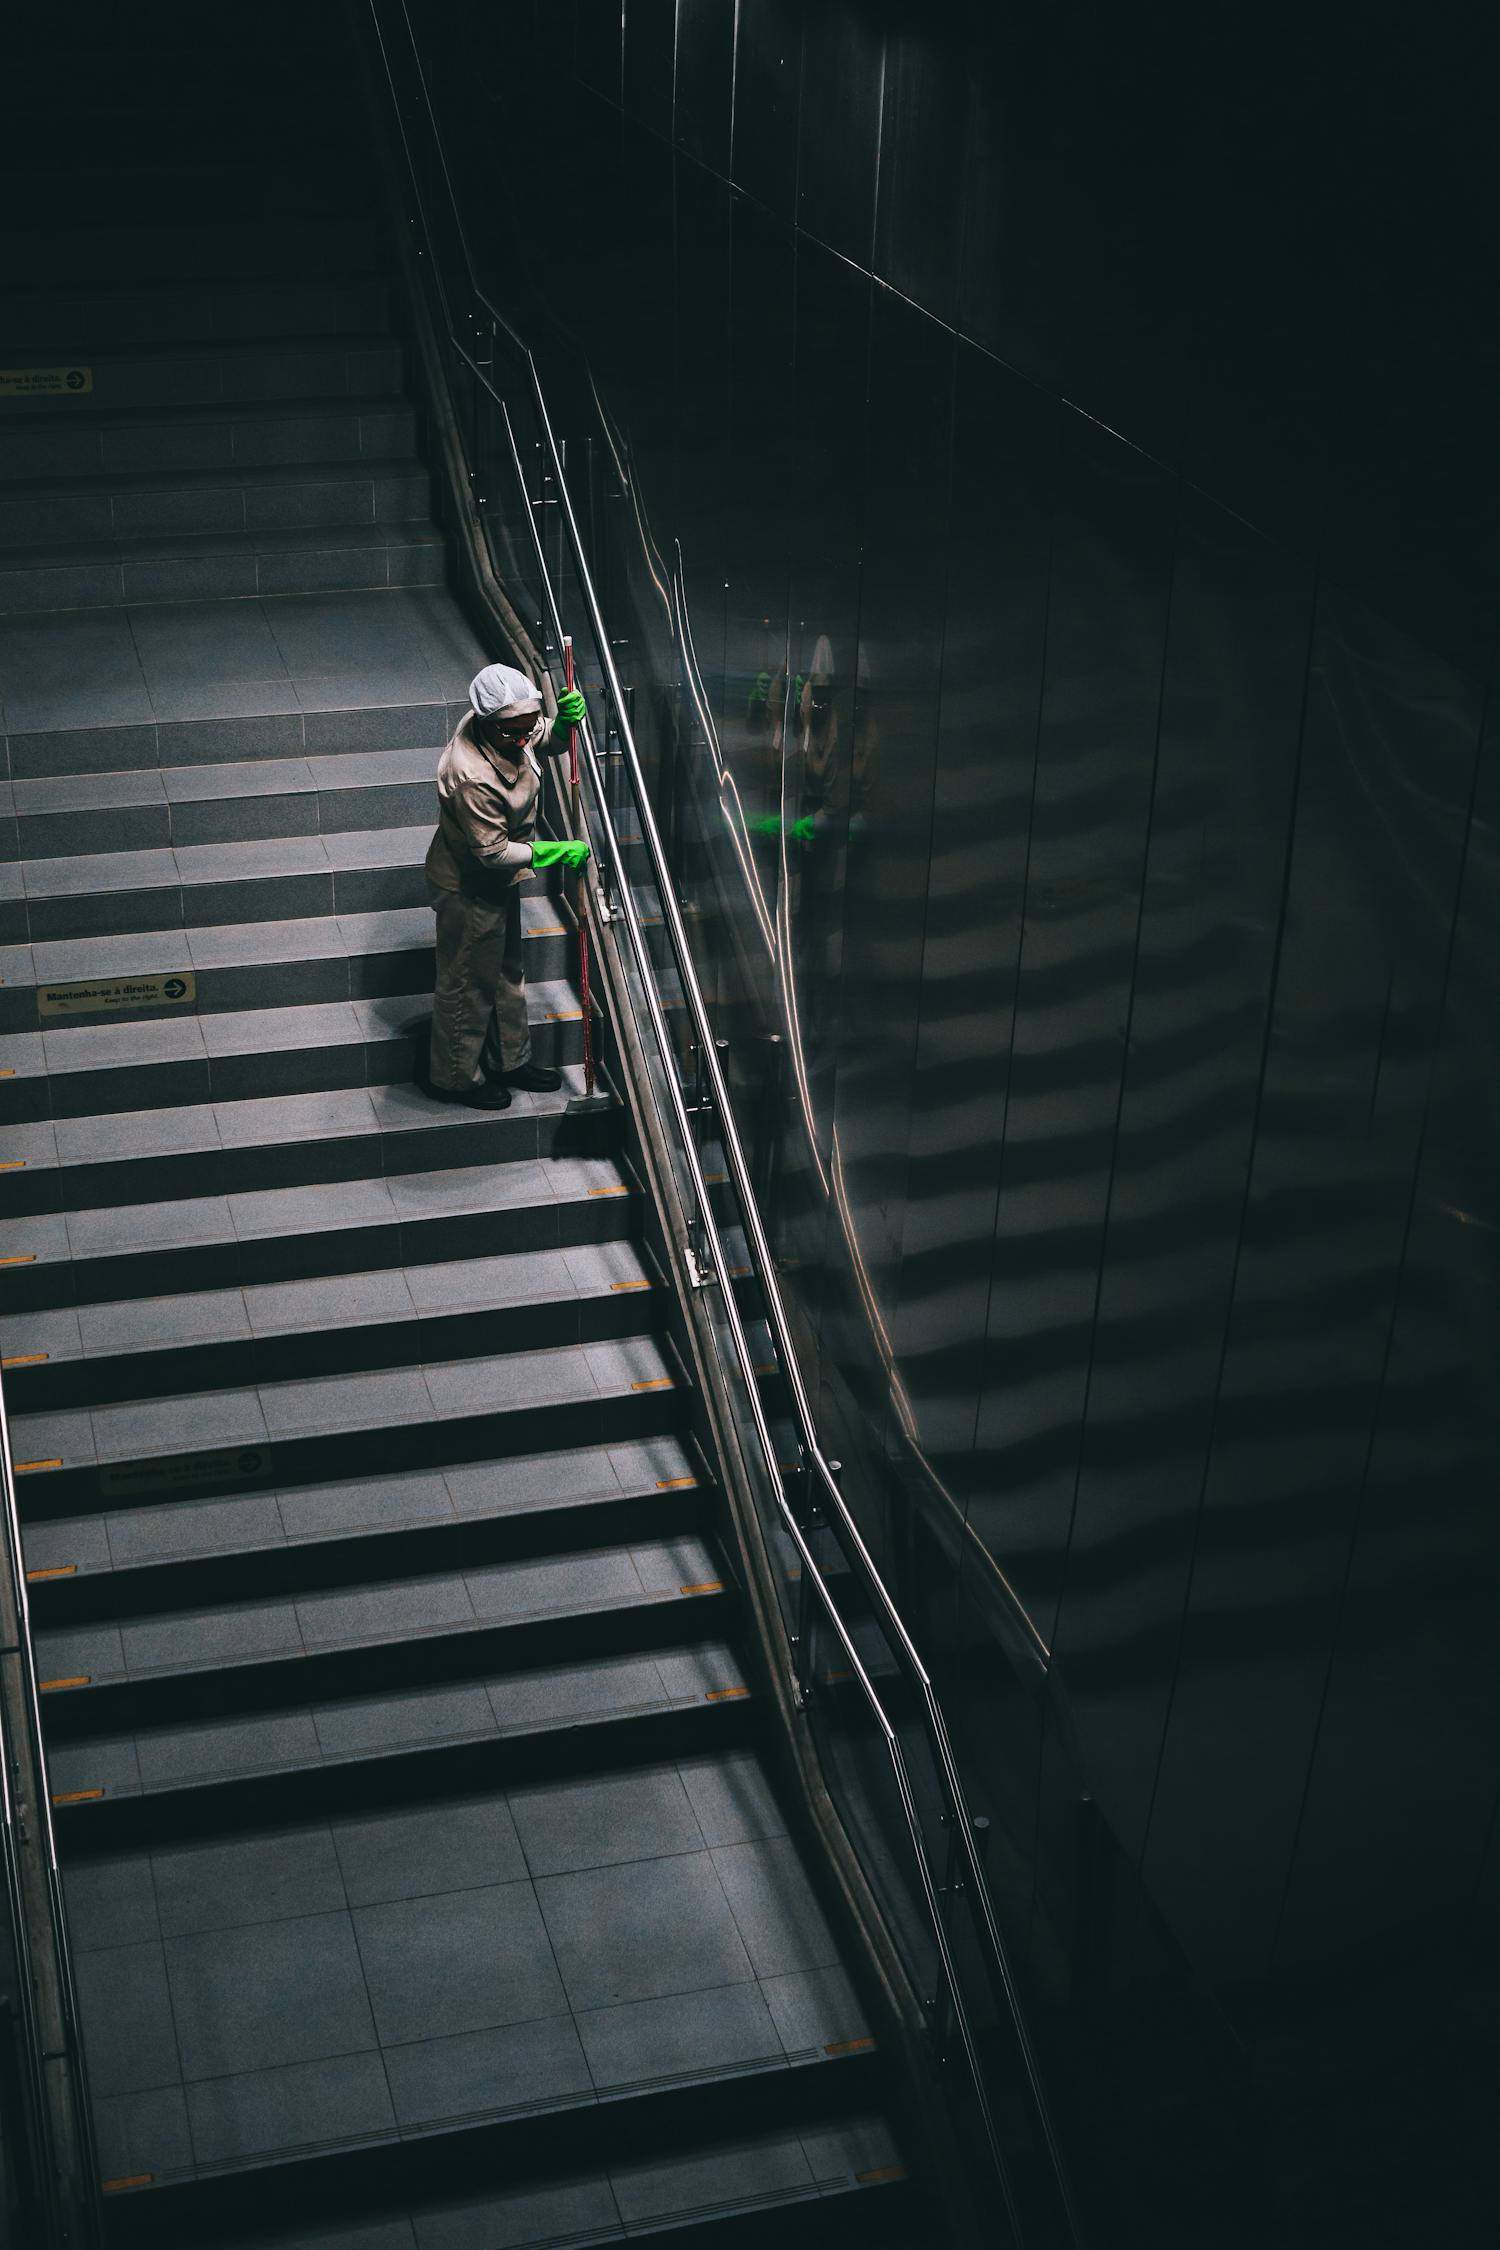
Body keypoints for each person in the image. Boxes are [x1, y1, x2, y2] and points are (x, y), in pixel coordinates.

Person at [423, 662, 590, 1110]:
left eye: (528, 726)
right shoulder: (470, 774)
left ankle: (509, 1059)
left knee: (504, 973)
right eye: (511, 734)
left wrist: (560, 728)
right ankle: (454, 1077)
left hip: (497, 882)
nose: (522, 739)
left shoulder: (508, 723)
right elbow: (491, 852)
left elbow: (539, 739)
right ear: (486, 723)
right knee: (467, 982)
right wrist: (555, 852)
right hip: (469, 885)